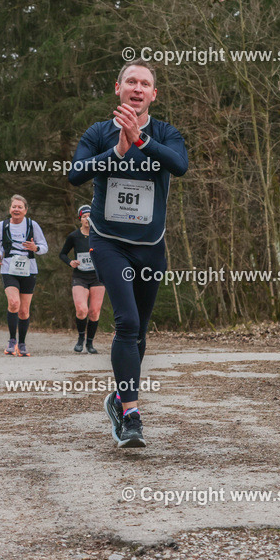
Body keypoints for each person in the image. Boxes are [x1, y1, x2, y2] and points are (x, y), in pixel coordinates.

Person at [68, 61, 188, 448]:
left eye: (146, 84)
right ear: (118, 88)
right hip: (108, 242)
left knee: (141, 333)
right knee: (127, 323)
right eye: (131, 81)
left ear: (154, 95)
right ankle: (133, 418)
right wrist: (117, 149)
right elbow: (76, 173)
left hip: (151, 246)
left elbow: (180, 165)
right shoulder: (99, 132)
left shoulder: (166, 133)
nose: (138, 88)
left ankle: (119, 399)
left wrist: (141, 141)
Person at [0, 196, 48, 357]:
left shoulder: (32, 225)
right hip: (9, 267)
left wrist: (35, 247)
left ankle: (22, 344)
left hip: (29, 269)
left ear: (25, 210)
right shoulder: (1, 225)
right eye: (14, 207)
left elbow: (44, 247)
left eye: (20, 207)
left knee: (23, 311)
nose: (16, 209)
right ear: (10, 209)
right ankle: (11, 341)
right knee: (14, 303)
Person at [59, 205, 104, 353]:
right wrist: (70, 262)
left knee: (94, 312)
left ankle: (90, 344)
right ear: (80, 219)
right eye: (84, 216)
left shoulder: (100, 235)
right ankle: (80, 338)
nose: (87, 219)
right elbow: (63, 254)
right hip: (80, 276)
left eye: (90, 216)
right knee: (81, 310)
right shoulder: (74, 236)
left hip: (98, 277)